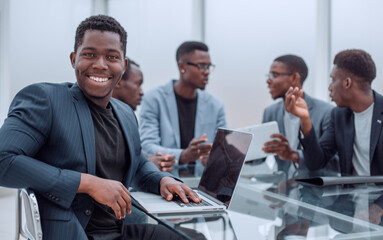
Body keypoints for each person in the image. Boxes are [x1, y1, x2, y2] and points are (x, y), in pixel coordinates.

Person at [0, 15, 201, 239]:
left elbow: (138, 163)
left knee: (195, 237)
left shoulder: (125, 113)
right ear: (74, 58)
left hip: (119, 230)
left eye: (111, 57)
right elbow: (3, 160)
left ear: (123, 66)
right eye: (89, 54)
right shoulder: (46, 100)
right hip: (73, 231)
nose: (100, 64)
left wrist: (163, 180)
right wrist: (86, 183)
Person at [285, 49, 383, 224]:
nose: (329, 87)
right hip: (349, 207)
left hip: (378, 209)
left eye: (332, 80)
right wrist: (305, 120)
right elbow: (316, 162)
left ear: (346, 82)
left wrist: (378, 207)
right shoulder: (339, 115)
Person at [139, 41, 227, 177]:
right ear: (182, 66)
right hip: (163, 182)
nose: (207, 72)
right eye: (201, 66)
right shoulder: (154, 99)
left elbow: (223, 148)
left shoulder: (216, 105)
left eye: (209, 66)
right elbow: (147, 146)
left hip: (202, 184)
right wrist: (183, 155)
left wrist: (213, 157)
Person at [262, 54, 336, 176]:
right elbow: (261, 155)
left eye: (274, 75)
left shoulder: (327, 112)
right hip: (282, 189)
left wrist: (295, 156)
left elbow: (333, 161)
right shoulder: (270, 112)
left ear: (295, 77)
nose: (268, 80)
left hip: (315, 191)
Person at [112, 59, 176, 172]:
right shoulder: (104, 120)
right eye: (138, 84)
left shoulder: (126, 120)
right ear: (118, 82)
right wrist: (147, 165)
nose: (141, 92)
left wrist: (153, 162)